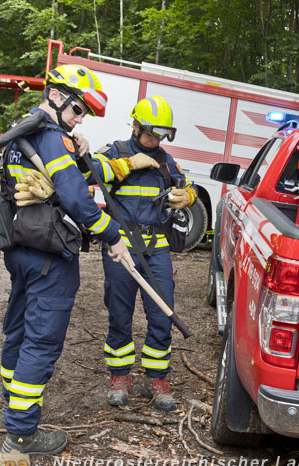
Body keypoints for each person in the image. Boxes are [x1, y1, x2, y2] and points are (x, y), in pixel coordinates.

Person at [0, 64, 137, 456]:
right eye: (78, 110)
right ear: (56, 96)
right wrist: (113, 235)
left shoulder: (20, 133)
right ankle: (22, 434)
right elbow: (77, 199)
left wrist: (84, 156)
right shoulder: (51, 137)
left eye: (84, 115)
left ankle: (13, 406)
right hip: (47, 257)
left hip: (20, 250)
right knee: (40, 341)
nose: (78, 120)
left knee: (20, 332)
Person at [91, 95, 195, 411]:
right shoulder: (115, 152)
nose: (155, 139)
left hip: (156, 248)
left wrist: (186, 196)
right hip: (120, 249)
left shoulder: (166, 160)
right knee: (120, 314)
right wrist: (123, 166)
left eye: (161, 134)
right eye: (150, 132)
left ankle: (157, 378)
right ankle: (119, 376)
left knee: (162, 314)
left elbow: (187, 185)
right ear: (135, 126)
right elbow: (88, 171)